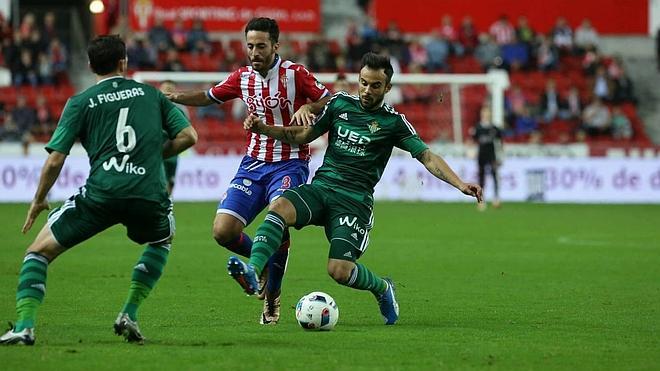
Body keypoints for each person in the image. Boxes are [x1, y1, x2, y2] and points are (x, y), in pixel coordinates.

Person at [226, 52, 483, 325]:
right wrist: (264, 128)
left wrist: (460, 184)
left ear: (387, 88)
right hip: (322, 188)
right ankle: (253, 271)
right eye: (363, 82)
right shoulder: (339, 104)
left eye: (374, 85)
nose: (366, 90)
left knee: (338, 270)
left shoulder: (393, 123)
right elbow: (303, 135)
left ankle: (383, 288)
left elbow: (428, 157)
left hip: (354, 202)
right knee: (278, 208)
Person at [0, 35, 197, 346]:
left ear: (91, 65)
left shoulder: (80, 102)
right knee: (162, 239)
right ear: (124, 63)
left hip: (102, 194)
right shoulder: (152, 94)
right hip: (148, 193)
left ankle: (25, 326)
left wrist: (39, 199)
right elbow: (189, 136)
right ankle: (129, 312)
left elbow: (54, 160)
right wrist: (148, 157)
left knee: (37, 253)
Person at [166, 17, 330, 325]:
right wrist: (176, 97)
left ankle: (272, 298)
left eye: (261, 46)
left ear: (275, 46)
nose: (254, 52)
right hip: (253, 164)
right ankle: (265, 264)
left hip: (290, 162)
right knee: (222, 231)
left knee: (278, 220)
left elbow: (330, 99)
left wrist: (311, 107)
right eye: (250, 46)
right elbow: (209, 96)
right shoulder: (241, 77)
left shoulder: (296, 74)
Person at [159, 80, 191, 194]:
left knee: (171, 182)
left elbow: (187, 131)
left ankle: (168, 204)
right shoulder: (153, 107)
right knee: (159, 180)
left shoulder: (181, 109)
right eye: (166, 88)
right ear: (159, 90)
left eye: (170, 89)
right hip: (157, 150)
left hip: (173, 151)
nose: (168, 91)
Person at [470, 106, 503, 211]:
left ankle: (496, 198)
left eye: (488, 113)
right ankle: (481, 201)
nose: (486, 115)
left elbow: (500, 143)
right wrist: (471, 152)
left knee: (494, 175)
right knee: (481, 178)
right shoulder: (478, 128)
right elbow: (472, 141)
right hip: (481, 155)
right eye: (484, 113)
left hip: (492, 155)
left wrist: (501, 156)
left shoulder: (495, 128)